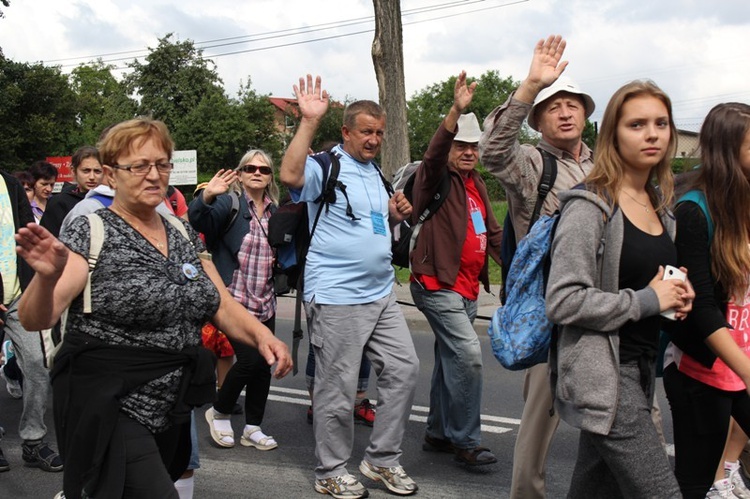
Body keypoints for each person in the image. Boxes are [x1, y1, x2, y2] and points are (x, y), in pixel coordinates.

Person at [15, 117, 292, 499]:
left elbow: (220, 303)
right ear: (111, 175)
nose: (153, 175)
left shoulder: (180, 232)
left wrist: (263, 336)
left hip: (171, 408)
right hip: (111, 405)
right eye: (139, 166)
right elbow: (36, 318)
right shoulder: (91, 230)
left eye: (161, 164)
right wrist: (45, 277)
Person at [546, 79, 692, 497]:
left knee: (595, 491)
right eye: (637, 124)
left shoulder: (660, 204)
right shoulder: (590, 204)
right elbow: (562, 300)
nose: (652, 134)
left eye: (661, 123)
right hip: (605, 375)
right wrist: (650, 299)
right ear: (612, 134)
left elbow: (648, 282)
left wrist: (674, 296)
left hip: (641, 369)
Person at [280, 75, 419, 498]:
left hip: (380, 294)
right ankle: (330, 470)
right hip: (338, 296)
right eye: (366, 131)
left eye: (379, 132)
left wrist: (394, 218)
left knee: (404, 369)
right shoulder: (327, 165)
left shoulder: (376, 175)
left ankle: (381, 461)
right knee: (337, 389)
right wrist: (308, 121)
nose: (374, 139)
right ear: (346, 132)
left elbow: (373, 226)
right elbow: (290, 174)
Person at [478, 34, 595, 498]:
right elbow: (491, 150)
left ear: (586, 113)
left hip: (605, 307)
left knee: (629, 414)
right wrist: (530, 85)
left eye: (572, 104)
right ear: (538, 119)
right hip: (552, 313)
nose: (565, 112)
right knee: (538, 425)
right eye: (553, 106)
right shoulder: (531, 165)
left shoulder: (605, 166)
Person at [410, 71, 503, 466]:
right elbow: (433, 152)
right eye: (461, 145)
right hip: (435, 283)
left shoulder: (477, 184)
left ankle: (437, 432)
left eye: (473, 146)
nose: (468, 152)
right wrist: (455, 111)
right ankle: (466, 441)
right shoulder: (433, 177)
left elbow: (493, 235)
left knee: (451, 359)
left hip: (465, 287)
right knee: (468, 355)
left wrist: (519, 274)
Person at [662, 102, 750, 498]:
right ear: (729, 153)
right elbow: (701, 309)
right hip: (704, 369)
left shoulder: (744, 203)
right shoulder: (695, 211)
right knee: (695, 483)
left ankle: (727, 477)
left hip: (741, 362)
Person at [189, 149, 281, 451]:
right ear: (239, 174)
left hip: (264, 299)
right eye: (250, 168)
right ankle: (220, 410)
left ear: (269, 178)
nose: (257, 173)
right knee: (249, 360)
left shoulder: (275, 210)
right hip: (233, 298)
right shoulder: (229, 203)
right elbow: (197, 220)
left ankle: (253, 427)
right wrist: (207, 197)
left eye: (264, 169)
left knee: (264, 364)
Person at [0, 167, 62, 473]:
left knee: (38, 365)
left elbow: (28, 235)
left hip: (18, 295)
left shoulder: (10, 184)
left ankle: (33, 442)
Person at [40, 146, 104, 237]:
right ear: (74, 171)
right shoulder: (59, 203)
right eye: (86, 171)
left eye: (97, 171)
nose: (92, 177)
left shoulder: (111, 201)